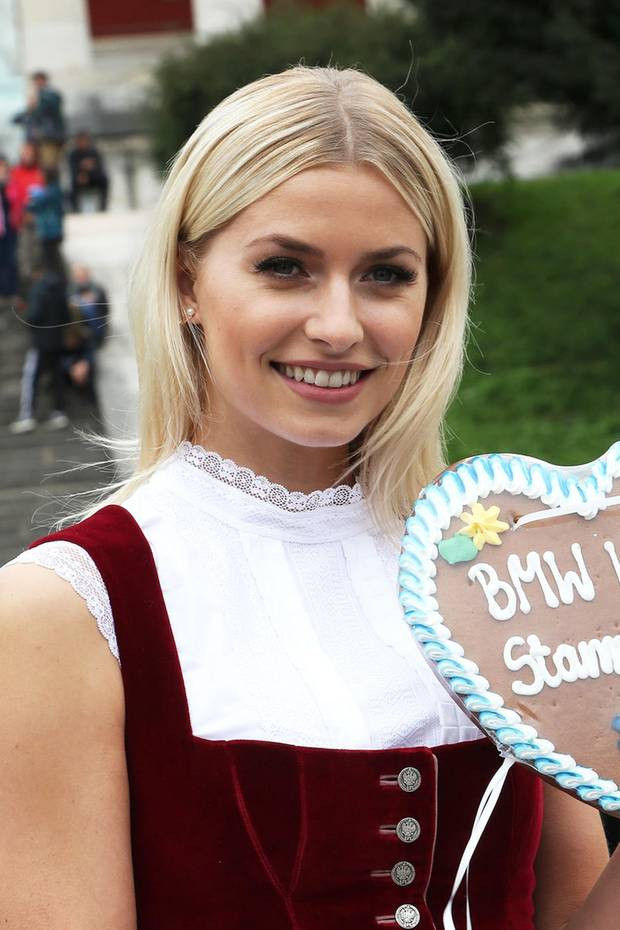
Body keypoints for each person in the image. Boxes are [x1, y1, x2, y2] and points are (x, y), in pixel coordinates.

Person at [0, 66, 615, 929]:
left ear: (433, 297)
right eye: (286, 267)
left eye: (386, 275)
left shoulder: (510, 570)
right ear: (186, 281)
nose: (338, 324)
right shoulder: (63, 611)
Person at [9, 254, 71, 433]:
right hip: (58, 341)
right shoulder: (60, 289)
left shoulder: (37, 289)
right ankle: (59, 412)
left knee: (31, 377)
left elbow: (33, 316)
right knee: (57, 377)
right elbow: (66, 316)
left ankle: (27, 415)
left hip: (40, 342)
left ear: (36, 273)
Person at [5, 142, 44, 289]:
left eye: (29, 153)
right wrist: (22, 213)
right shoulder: (15, 173)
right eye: (24, 153)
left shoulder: (40, 172)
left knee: (39, 257)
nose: (27, 156)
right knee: (23, 259)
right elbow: (12, 196)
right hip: (21, 223)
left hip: (40, 221)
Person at [12, 71, 66, 169]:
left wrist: (38, 99)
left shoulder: (50, 94)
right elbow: (15, 119)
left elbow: (50, 107)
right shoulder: (32, 111)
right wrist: (29, 109)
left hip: (49, 139)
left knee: (48, 167)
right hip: (35, 142)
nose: (37, 84)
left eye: (39, 80)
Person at [26, 166, 64, 267]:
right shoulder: (49, 189)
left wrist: (31, 200)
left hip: (51, 231)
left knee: (52, 259)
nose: (39, 177)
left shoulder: (52, 190)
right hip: (49, 230)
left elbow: (35, 205)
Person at [68, 131, 109, 212]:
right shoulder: (74, 154)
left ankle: (102, 207)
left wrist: (90, 170)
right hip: (80, 179)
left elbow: (100, 168)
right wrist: (81, 171)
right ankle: (75, 209)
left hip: (93, 178)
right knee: (73, 185)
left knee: (104, 180)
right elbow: (73, 169)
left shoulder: (94, 152)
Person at [0, 155, 18, 307]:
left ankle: (9, 293)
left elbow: (14, 198)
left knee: (9, 262)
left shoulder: (9, 184)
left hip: (8, 229)